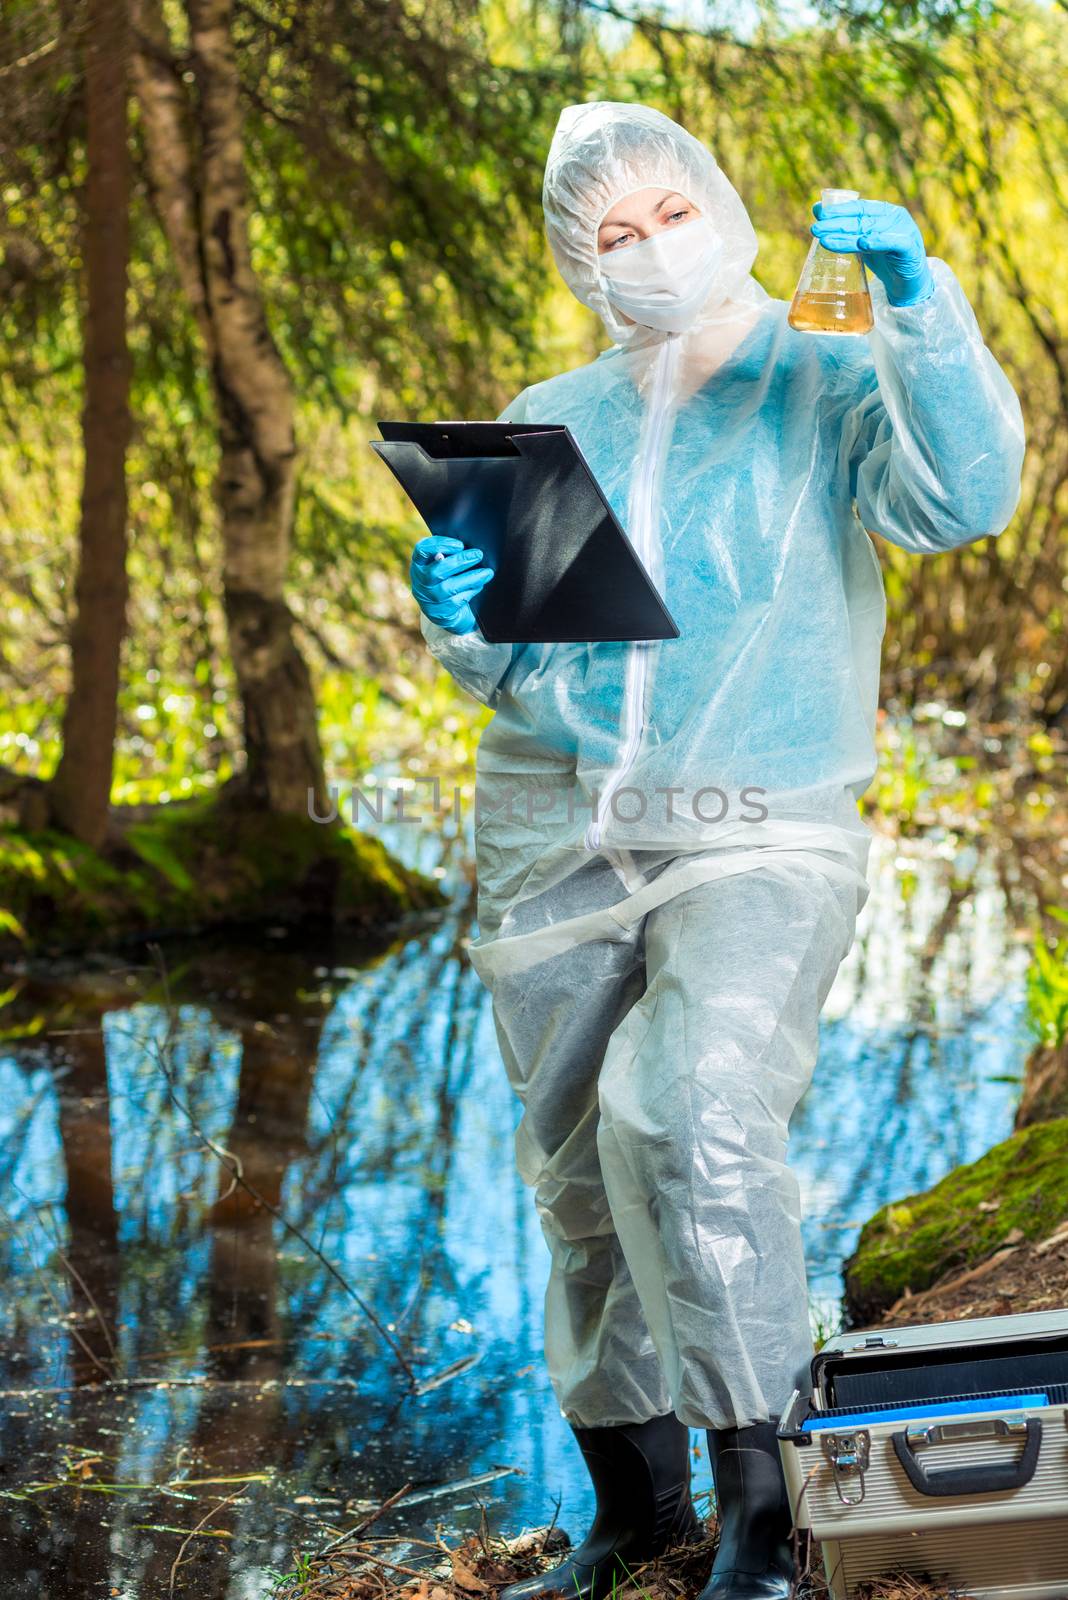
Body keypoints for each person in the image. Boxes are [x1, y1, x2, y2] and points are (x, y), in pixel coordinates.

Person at [408, 101, 1025, 1600]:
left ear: (723, 209)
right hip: (559, 826)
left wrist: (919, 304)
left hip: (765, 826)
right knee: (572, 1178)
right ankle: (635, 1511)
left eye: (667, 214)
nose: (647, 250)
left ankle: (761, 1516)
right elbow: (538, 669)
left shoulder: (828, 381)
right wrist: (465, 619)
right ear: (582, 261)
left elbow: (969, 498)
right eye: (612, 235)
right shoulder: (560, 410)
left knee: (687, 1115)